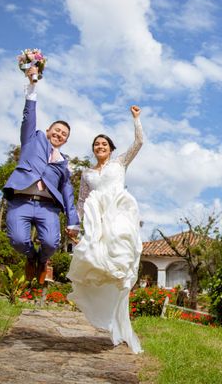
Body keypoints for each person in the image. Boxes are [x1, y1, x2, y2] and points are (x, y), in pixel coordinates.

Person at [67, 105, 144, 353]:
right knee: (96, 258)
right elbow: (81, 201)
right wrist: (75, 225)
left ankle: (123, 276)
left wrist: (136, 119)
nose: (99, 147)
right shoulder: (87, 173)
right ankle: (105, 302)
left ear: (110, 149)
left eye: (103, 144)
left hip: (119, 213)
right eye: (96, 145)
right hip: (96, 220)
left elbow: (139, 142)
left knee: (121, 247)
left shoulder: (121, 163)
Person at [3, 66, 80, 284]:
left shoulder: (64, 163)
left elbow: (67, 191)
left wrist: (73, 221)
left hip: (48, 206)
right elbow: (28, 117)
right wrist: (32, 86)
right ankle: (30, 257)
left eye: (64, 134)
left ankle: (43, 260)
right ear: (48, 130)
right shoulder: (32, 139)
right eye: (56, 130)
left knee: (51, 243)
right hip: (21, 201)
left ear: (65, 140)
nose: (59, 134)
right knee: (18, 239)